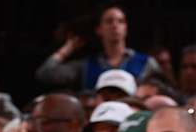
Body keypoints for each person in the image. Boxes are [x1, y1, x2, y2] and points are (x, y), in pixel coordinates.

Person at [36, 5, 171, 91]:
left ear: (126, 28)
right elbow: (46, 74)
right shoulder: (87, 66)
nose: (115, 25)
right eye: (109, 21)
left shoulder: (146, 63)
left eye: (120, 21)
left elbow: (169, 92)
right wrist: (68, 48)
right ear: (99, 29)